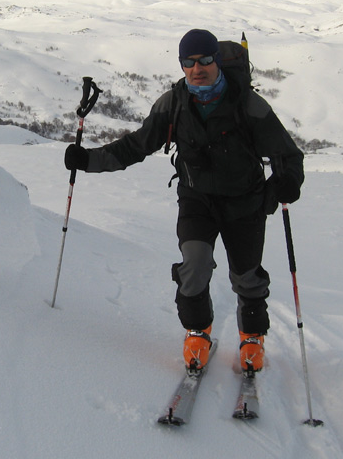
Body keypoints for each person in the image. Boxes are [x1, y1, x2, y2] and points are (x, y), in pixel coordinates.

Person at [64, 29, 304, 373]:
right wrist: (88, 160)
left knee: (247, 275)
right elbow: (136, 146)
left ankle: (252, 336)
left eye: (204, 60)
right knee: (194, 267)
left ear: (216, 61)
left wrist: (288, 181)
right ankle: (197, 331)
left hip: (245, 203)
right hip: (197, 200)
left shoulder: (248, 105)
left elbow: (288, 155)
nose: (196, 69)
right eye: (188, 63)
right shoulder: (173, 104)